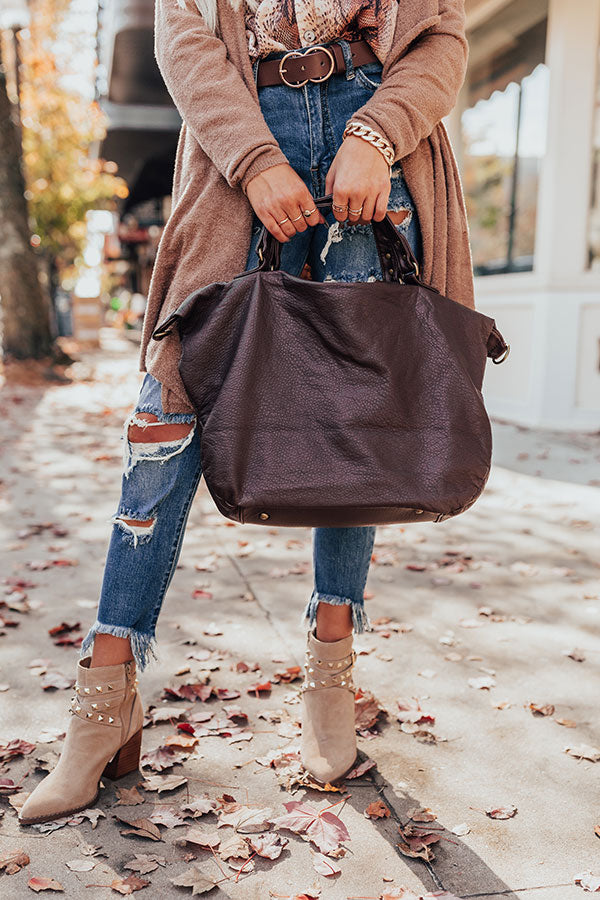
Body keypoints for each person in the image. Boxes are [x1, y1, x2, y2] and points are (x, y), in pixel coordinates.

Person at [20, 0, 473, 824]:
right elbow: (183, 36)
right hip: (238, 145)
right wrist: (256, 159)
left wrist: (376, 136)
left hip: (374, 147)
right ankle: (103, 705)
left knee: (355, 428)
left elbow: (441, 37)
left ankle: (331, 685)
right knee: (164, 422)